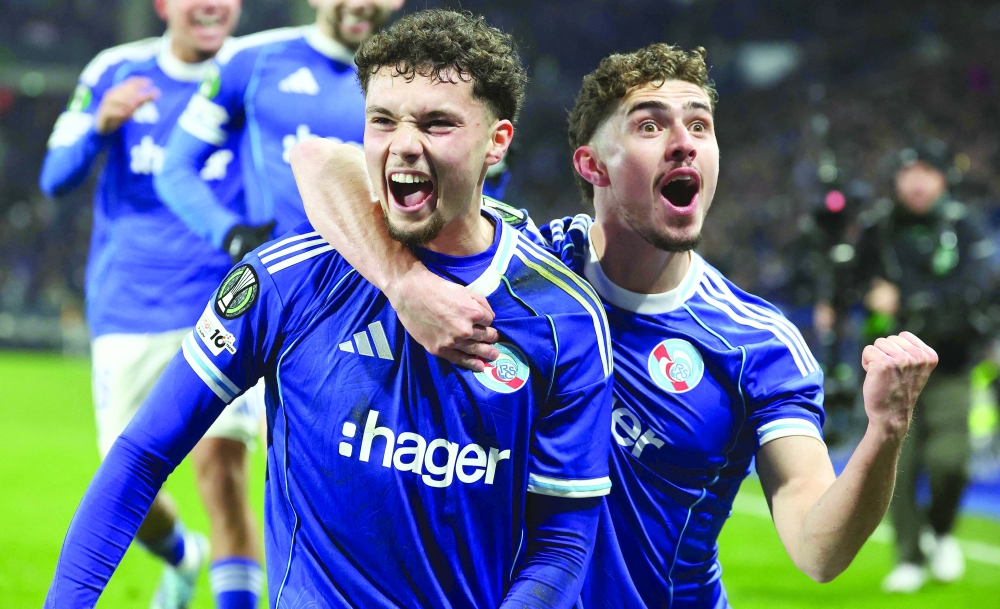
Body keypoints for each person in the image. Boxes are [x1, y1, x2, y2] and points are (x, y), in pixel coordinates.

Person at [290, 43, 940, 607]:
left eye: (700, 125)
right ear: (591, 165)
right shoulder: (524, 269)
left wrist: (885, 431)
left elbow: (816, 549)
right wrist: (404, 281)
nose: (684, 141)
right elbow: (318, 161)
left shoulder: (758, 346)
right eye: (650, 125)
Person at [46, 9, 615, 609]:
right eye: (382, 120)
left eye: (438, 123)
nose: (404, 146)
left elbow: (561, 542)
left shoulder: (565, 317)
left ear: (497, 142)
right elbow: (142, 455)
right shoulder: (285, 280)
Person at [38, 0, 264, 607]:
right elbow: (55, 180)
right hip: (129, 306)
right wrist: (99, 126)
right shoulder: (116, 70)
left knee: (223, 472)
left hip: (226, 302)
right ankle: (180, 554)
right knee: (128, 478)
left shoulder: (255, 75)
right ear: (165, 3)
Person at [154, 0, 409, 261]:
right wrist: (231, 234)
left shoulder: (416, 75)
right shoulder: (250, 60)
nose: (357, 1)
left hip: (383, 283)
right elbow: (175, 168)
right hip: (285, 284)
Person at [852, 145, 992, 593]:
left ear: (942, 180)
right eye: (907, 170)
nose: (915, 180)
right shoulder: (878, 228)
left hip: (950, 363)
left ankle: (941, 530)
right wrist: (867, 294)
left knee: (950, 461)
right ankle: (909, 555)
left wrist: (909, 301)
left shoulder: (964, 226)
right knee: (898, 469)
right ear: (896, 180)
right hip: (894, 371)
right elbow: (852, 279)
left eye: (926, 170)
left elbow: (978, 287)